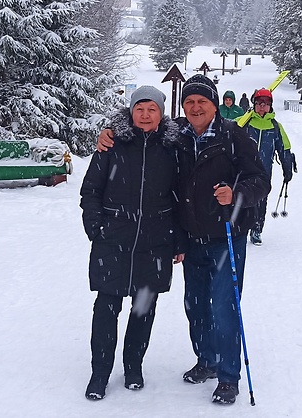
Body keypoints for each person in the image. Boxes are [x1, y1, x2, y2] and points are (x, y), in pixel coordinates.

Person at [97, 75, 270, 405]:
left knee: (224, 306)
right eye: (189, 102)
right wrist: (108, 132)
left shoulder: (234, 137)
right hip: (192, 238)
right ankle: (206, 360)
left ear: (214, 105)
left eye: (201, 102)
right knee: (195, 305)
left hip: (226, 237)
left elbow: (260, 180)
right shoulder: (177, 135)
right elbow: (139, 121)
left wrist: (237, 194)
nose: (194, 107)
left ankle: (228, 377)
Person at [80, 86, 186, 401]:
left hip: (154, 244)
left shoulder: (173, 148)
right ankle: (99, 373)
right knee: (106, 308)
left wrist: (178, 240)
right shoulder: (111, 144)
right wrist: (96, 228)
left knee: (143, 310)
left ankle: (133, 367)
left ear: (161, 113)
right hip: (113, 240)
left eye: (151, 109)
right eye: (139, 108)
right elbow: (91, 191)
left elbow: (180, 198)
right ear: (131, 111)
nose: (145, 114)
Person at [237, 88, 295, 245]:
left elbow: (284, 149)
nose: (262, 107)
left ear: (270, 106)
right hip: (243, 171)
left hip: (263, 172)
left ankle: (257, 230)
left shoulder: (275, 127)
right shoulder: (244, 123)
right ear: (254, 105)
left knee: (260, 202)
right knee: (241, 199)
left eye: (266, 104)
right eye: (259, 103)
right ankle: (241, 229)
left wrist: (287, 167)